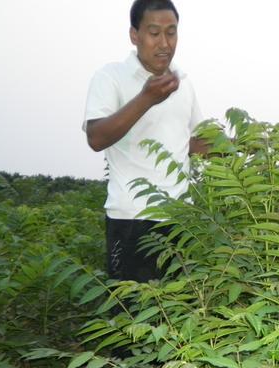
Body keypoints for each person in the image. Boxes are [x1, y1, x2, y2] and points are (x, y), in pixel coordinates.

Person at [83, 0, 206, 282]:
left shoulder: (183, 83)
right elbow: (96, 137)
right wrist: (146, 98)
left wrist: (239, 147)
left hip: (179, 220)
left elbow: (193, 143)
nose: (165, 43)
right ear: (134, 35)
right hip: (131, 218)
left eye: (171, 32)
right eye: (154, 33)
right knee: (130, 318)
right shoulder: (110, 77)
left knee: (178, 315)